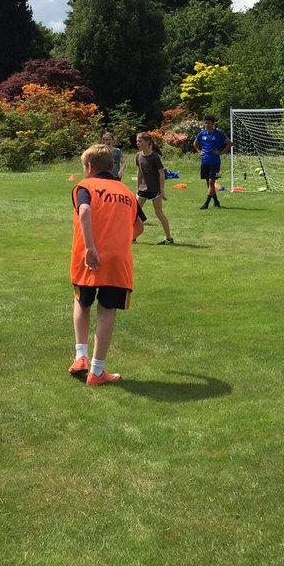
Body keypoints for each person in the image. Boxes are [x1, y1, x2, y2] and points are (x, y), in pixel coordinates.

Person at [68, 144, 142, 386]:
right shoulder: (127, 192)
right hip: (117, 262)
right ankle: (97, 371)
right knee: (106, 311)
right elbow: (139, 226)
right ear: (111, 166)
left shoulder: (85, 186)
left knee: (82, 301)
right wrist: (122, 240)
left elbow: (85, 211)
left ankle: (81, 357)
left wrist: (90, 246)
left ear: (89, 167)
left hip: (87, 258)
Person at [134, 132, 173, 245]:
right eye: (137, 141)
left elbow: (161, 174)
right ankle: (133, 237)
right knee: (134, 213)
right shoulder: (138, 156)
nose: (138, 143)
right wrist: (138, 187)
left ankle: (169, 238)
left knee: (159, 213)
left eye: (140, 141)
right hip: (142, 190)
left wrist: (162, 190)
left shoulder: (154, 157)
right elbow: (139, 172)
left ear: (148, 142)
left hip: (155, 190)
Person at [193, 114, 230, 210]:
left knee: (211, 182)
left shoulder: (218, 134)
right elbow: (195, 144)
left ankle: (206, 203)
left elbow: (230, 143)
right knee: (209, 183)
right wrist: (200, 151)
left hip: (215, 162)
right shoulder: (202, 134)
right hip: (205, 161)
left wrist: (221, 152)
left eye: (209, 123)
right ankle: (216, 201)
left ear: (213, 123)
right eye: (205, 123)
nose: (207, 125)